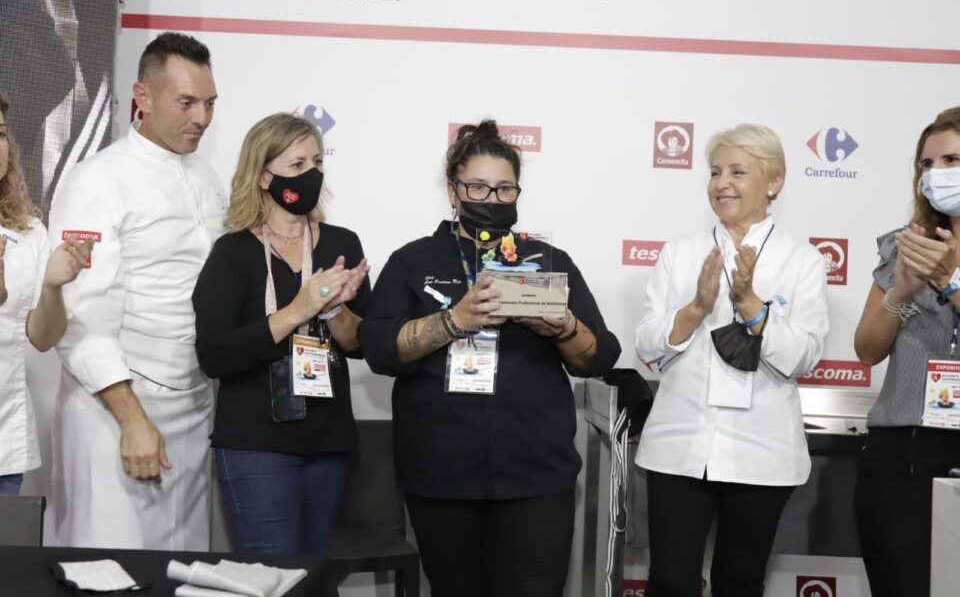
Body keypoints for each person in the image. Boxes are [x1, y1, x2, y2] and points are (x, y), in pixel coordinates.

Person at [359, 120, 621, 596]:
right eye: (478, 187)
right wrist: (453, 320)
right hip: (441, 476)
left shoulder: (548, 261)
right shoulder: (413, 261)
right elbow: (378, 348)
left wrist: (564, 328)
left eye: (504, 189)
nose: (492, 199)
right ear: (453, 190)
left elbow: (599, 357)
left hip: (536, 477)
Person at [47, 32, 224, 550]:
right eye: (186, 103)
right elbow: (80, 320)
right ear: (142, 97)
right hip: (113, 410)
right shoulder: (96, 181)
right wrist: (131, 420)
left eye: (210, 103)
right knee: (110, 566)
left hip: (195, 404)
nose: (201, 118)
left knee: (184, 564)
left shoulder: (208, 178)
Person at [635, 124, 829, 597]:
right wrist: (694, 310)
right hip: (680, 446)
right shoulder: (680, 254)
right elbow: (646, 345)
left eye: (738, 172)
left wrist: (754, 310)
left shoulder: (802, 260)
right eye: (715, 172)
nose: (722, 184)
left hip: (761, 449)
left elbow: (804, 355)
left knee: (739, 582)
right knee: (670, 581)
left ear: (774, 182)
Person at [193, 113, 370, 554]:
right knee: (271, 575)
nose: (311, 173)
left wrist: (333, 309)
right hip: (256, 445)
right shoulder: (233, 252)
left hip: (328, 442)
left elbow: (359, 344)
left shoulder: (341, 244)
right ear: (263, 175)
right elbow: (214, 356)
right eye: (297, 165)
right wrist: (297, 311)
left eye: (317, 162)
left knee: (311, 574)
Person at [853, 106, 960, 597]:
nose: (936, 174)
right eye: (927, 164)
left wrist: (948, 281)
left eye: (952, 160)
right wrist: (901, 293)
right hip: (903, 452)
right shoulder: (908, 245)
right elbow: (867, 349)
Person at [0, 90, 91, 496]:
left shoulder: (29, 231)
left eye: (1, 134)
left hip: (3, 442)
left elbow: (42, 337)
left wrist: (53, 286)